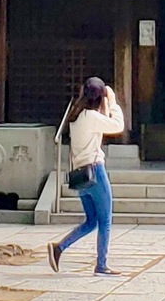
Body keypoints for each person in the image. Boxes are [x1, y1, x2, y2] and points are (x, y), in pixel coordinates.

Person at [50, 77, 124, 275]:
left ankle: (60, 247)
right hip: (95, 171)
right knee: (105, 221)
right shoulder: (92, 117)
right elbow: (117, 125)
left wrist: (105, 104)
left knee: (91, 221)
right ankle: (101, 265)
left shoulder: (76, 116)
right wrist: (114, 101)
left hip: (80, 174)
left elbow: (103, 123)